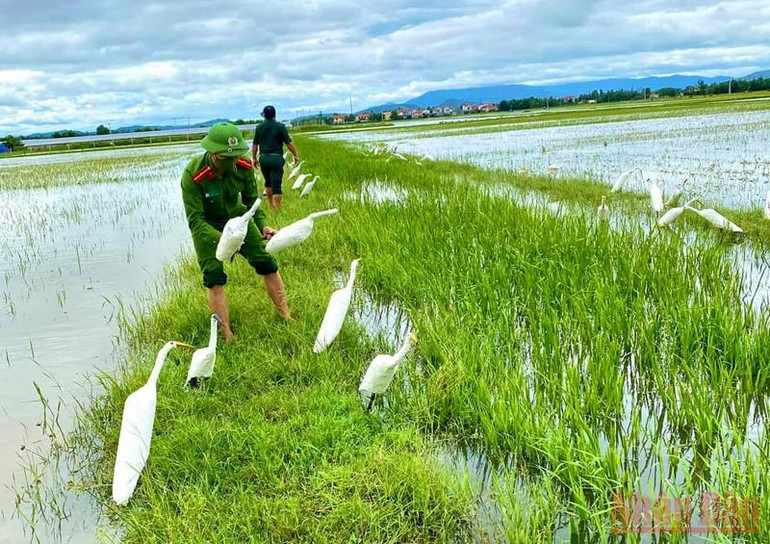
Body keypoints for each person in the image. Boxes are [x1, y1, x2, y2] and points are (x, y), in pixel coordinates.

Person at [181, 122, 291, 341]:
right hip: (208, 228)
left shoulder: (243, 166)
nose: (232, 164)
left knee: (267, 262)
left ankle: (285, 315)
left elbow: (252, 203)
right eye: (225, 158)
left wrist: (263, 226)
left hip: (239, 221)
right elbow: (195, 220)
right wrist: (224, 241)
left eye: (235, 156)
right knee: (214, 278)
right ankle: (226, 333)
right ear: (212, 154)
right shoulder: (193, 175)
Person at [251, 105, 300, 210]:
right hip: (276, 158)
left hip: (263, 158)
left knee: (268, 183)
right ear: (275, 114)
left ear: (264, 115)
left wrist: (254, 158)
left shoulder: (259, 127)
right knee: (276, 184)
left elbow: (255, 145)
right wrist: (295, 155)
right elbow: (288, 143)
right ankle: (277, 208)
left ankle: (271, 205)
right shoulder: (280, 126)